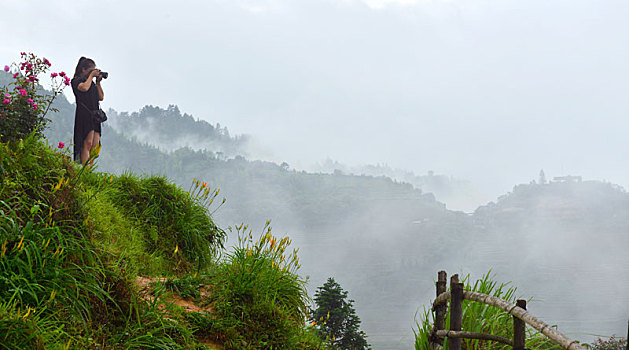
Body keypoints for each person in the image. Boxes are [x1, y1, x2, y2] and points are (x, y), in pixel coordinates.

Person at [71, 57, 105, 165]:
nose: (93, 73)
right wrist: (91, 76)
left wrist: (98, 82)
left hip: (95, 116)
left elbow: (101, 97)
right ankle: (85, 171)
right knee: (87, 143)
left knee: (95, 145)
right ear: (83, 69)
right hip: (84, 115)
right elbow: (84, 88)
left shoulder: (92, 84)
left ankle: (89, 169)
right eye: (91, 70)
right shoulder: (76, 81)